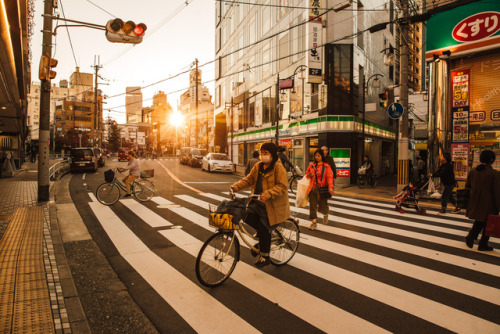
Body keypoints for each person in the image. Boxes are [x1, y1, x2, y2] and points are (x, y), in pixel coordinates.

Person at [230, 142, 290, 267]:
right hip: (257, 202)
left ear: (273, 155)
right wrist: (235, 187)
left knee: (263, 227)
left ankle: (265, 255)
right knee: (245, 215)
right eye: (262, 153)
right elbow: (249, 179)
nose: (263, 156)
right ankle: (263, 241)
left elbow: (283, 186)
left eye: (266, 153)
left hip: (272, 206)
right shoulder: (258, 166)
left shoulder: (278, 168)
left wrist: (268, 194)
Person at [465, 150, 500, 251]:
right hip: (489, 203)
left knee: (480, 221)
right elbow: (497, 191)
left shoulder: (473, 171)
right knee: (488, 223)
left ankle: (473, 237)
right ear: (492, 160)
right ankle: (481, 243)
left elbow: (468, 186)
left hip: (475, 200)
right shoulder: (494, 174)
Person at [305, 148, 334, 230]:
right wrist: (308, 175)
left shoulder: (327, 166)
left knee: (323, 206)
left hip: (322, 189)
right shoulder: (312, 165)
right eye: (316, 155)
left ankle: (325, 214)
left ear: (322, 156)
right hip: (313, 189)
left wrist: (330, 187)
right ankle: (314, 223)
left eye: (318, 155)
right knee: (313, 206)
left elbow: (329, 177)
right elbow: (306, 174)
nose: (317, 157)